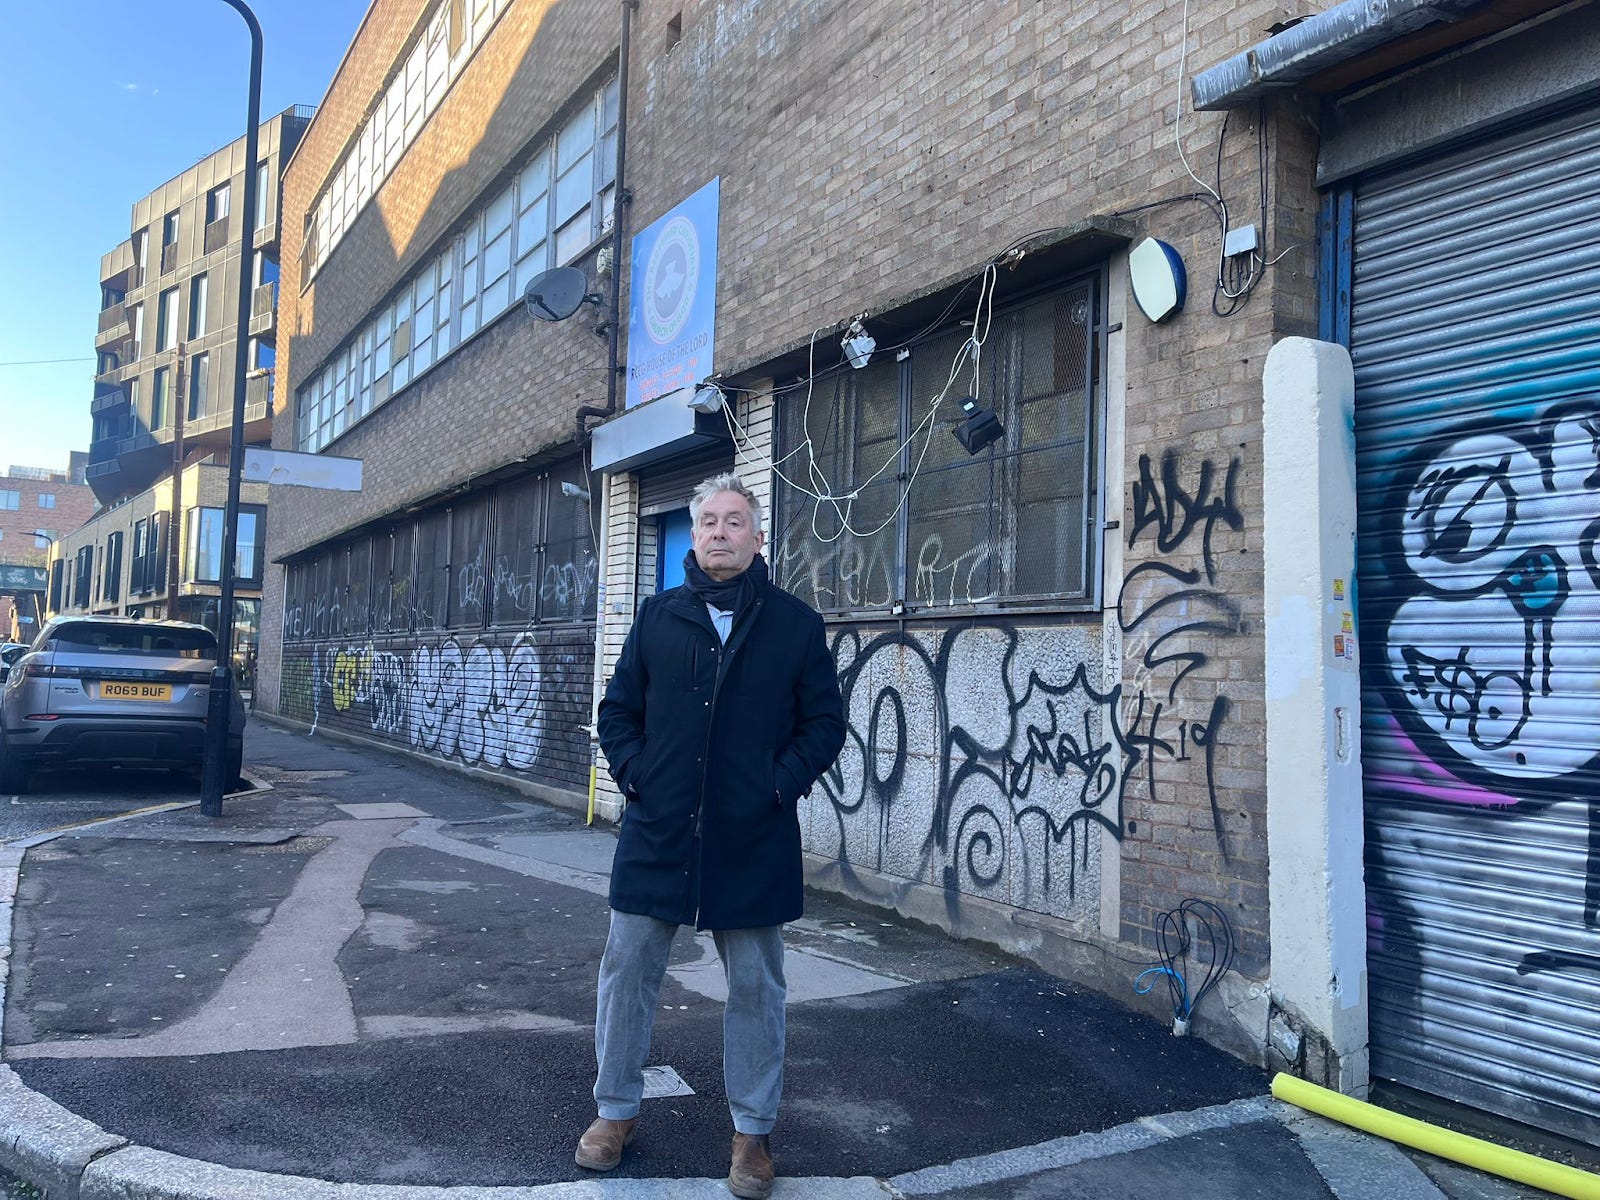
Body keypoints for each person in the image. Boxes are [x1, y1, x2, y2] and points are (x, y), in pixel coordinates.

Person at [579, 472, 845, 1199]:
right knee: (626, 972)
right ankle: (614, 1112)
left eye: (734, 521)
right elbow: (617, 711)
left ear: (758, 537)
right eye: (708, 523)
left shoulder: (794, 624)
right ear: (694, 536)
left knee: (757, 986)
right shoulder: (658, 616)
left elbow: (824, 723)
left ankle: (752, 1134)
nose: (719, 532)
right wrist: (637, 776)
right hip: (658, 831)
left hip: (751, 836)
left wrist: (776, 786)